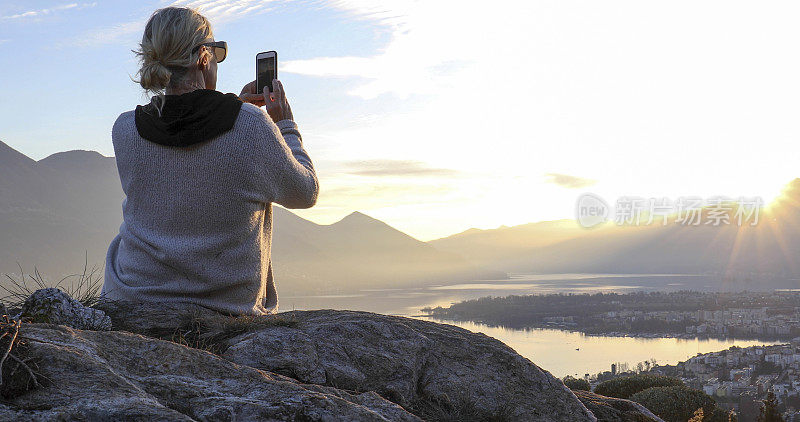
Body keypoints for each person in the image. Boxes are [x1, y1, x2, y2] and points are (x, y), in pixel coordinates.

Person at [101, 6, 318, 315]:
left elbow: (189, 143)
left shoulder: (124, 129)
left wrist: (234, 107)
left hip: (132, 299)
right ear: (203, 58)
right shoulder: (251, 126)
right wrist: (284, 126)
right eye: (218, 52)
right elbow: (305, 192)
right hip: (225, 307)